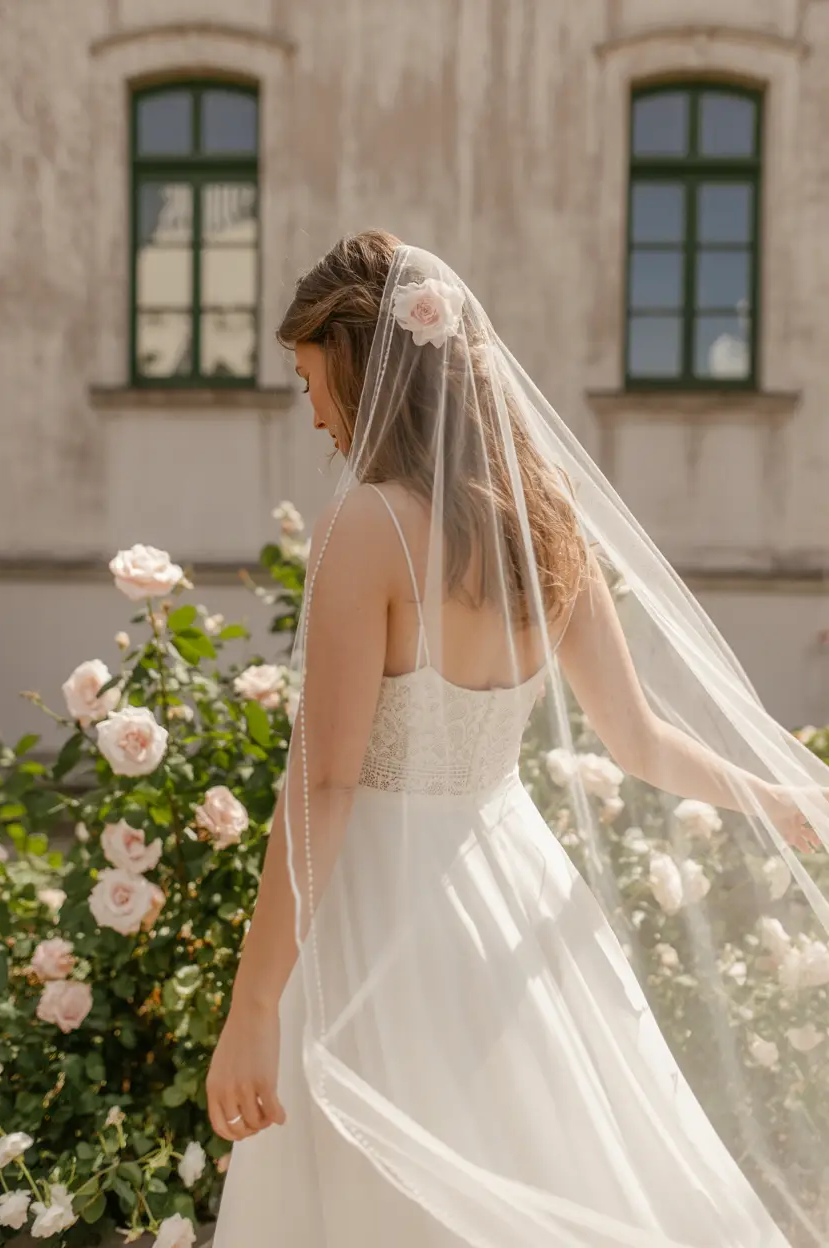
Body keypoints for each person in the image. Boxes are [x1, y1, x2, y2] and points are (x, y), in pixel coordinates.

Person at [208, 231, 829, 1247]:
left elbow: (323, 784)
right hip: (509, 888)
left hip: (378, 915)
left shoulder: (369, 526)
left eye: (310, 381)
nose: (313, 411)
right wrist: (769, 797)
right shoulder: (544, 526)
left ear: (362, 371)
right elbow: (637, 739)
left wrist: (255, 1004)